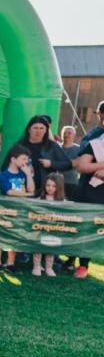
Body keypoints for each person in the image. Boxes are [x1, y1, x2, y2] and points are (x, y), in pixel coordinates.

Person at [71, 104, 104, 278]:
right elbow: (82, 165)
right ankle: (79, 264)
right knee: (82, 226)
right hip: (89, 192)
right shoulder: (96, 143)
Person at [0, 145, 35, 272]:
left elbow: (31, 189)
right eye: (23, 159)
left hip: (19, 209)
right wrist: (27, 195)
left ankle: (10, 263)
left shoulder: (23, 174)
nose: (25, 162)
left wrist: (28, 175)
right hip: (5, 208)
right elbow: (9, 192)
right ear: (13, 159)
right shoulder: (4, 174)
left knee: (14, 234)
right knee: (0, 233)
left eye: (27, 160)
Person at [14, 115, 71, 193]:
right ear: (29, 129)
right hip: (22, 188)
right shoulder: (20, 146)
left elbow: (68, 164)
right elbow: (7, 166)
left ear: (46, 130)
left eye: (41, 128)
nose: (38, 131)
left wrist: (51, 164)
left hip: (45, 191)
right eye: (35, 128)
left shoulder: (52, 146)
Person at [32, 172, 65, 277]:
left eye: (54, 186)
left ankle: (48, 267)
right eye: (48, 185)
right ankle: (36, 266)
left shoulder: (63, 201)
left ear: (59, 187)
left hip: (54, 229)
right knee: (38, 247)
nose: (50, 188)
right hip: (40, 228)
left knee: (50, 247)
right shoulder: (40, 199)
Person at [59, 125, 81, 195]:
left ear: (74, 135)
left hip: (72, 182)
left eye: (69, 133)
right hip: (56, 182)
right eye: (64, 133)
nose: (66, 135)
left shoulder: (79, 149)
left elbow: (79, 164)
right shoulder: (56, 148)